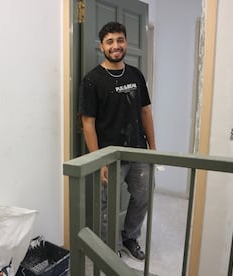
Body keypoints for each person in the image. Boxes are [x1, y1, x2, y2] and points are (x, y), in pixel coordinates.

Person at [78, 21, 156, 261]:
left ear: (126, 43)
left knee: (143, 197)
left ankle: (131, 236)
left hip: (138, 152)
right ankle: (110, 248)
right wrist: (100, 160)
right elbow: (88, 124)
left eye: (119, 40)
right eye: (110, 41)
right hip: (110, 157)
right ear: (102, 45)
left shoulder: (135, 74)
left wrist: (153, 148)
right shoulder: (92, 80)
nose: (115, 46)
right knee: (106, 207)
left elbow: (145, 112)